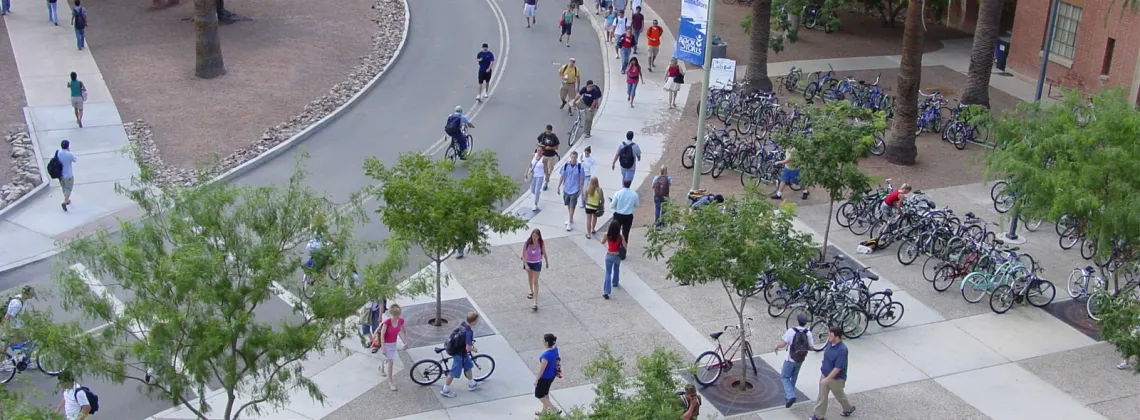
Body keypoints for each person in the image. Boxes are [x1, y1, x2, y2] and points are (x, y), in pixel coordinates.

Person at [811, 327, 855, 420]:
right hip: (825, 374)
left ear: (837, 337)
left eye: (831, 335)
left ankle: (848, 408)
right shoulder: (829, 344)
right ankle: (818, 416)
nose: (829, 337)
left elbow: (838, 368)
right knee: (822, 396)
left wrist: (827, 379)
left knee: (839, 395)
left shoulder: (842, 350)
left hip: (836, 379)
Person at [775, 313, 815, 408]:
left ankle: (790, 395)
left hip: (790, 358)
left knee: (784, 377)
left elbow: (783, 344)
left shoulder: (791, 331)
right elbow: (811, 348)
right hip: (800, 359)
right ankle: (789, 395)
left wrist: (776, 347)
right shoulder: (808, 333)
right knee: (794, 376)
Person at [440, 312, 481, 398]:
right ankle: (445, 389)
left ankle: (471, 383)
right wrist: (474, 349)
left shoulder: (463, 324)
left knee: (468, 366)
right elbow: (468, 348)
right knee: (453, 372)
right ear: (474, 322)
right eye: (477, 320)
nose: (477, 322)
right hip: (459, 354)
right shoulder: (469, 332)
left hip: (460, 352)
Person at [377, 303, 409, 391]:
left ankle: (381, 367)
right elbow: (382, 335)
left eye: (398, 314)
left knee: (387, 359)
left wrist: (406, 342)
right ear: (392, 314)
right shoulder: (387, 322)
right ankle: (390, 381)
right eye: (395, 315)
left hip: (393, 344)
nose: (397, 316)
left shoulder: (401, 320)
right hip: (386, 344)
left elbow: (404, 331)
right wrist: (383, 347)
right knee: (390, 362)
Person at [521, 229, 549, 311]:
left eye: (536, 236)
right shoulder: (527, 242)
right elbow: (523, 253)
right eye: (533, 236)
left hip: (537, 262)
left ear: (539, 236)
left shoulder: (541, 242)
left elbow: (544, 252)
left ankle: (535, 302)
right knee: (530, 278)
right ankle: (531, 291)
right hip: (528, 262)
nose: (534, 238)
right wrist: (525, 264)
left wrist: (547, 262)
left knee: (535, 281)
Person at [533, 333, 561, 416]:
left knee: (540, 396)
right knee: (545, 394)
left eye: (544, 341)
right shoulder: (555, 349)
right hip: (552, 375)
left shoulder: (546, 356)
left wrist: (536, 380)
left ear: (547, 343)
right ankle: (544, 412)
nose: (543, 342)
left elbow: (542, 370)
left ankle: (555, 409)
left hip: (544, 378)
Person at [557, 151, 585, 231]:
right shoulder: (566, 165)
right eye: (572, 157)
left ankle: (569, 221)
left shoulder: (580, 167)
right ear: (570, 157)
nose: (573, 159)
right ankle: (571, 217)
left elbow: (581, 178)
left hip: (575, 189)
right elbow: (562, 176)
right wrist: (558, 186)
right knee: (568, 204)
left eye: (575, 157)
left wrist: (580, 189)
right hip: (566, 188)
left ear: (577, 158)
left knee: (573, 205)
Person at [600, 222, 624, 298]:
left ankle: (606, 291)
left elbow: (602, 242)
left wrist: (602, 237)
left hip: (609, 255)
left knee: (608, 273)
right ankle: (615, 282)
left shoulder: (607, 235)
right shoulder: (620, 236)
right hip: (617, 256)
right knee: (616, 269)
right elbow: (625, 246)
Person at [611, 179, 639, 245]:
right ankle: (623, 249)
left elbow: (612, 205)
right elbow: (637, 205)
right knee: (626, 233)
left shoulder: (618, 193)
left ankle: (615, 246)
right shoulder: (634, 194)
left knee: (615, 231)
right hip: (628, 216)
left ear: (623, 184)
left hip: (618, 215)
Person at [536, 125, 560, 190]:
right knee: (545, 170)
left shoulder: (553, 137)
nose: (548, 133)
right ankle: (546, 181)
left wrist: (550, 148)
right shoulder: (543, 135)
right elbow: (537, 141)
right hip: (544, 155)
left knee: (549, 170)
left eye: (549, 132)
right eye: (547, 131)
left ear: (551, 131)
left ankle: (546, 181)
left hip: (551, 156)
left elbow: (557, 147)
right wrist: (540, 145)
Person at [56, 140, 78, 211]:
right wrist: (69, 151)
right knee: (69, 188)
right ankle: (65, 202)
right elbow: (75, 160)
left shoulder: (58, 153)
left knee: (64, 188)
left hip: (60, 175)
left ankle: (67, 199)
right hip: (68, 175)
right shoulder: (69, 154)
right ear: (68, 146)